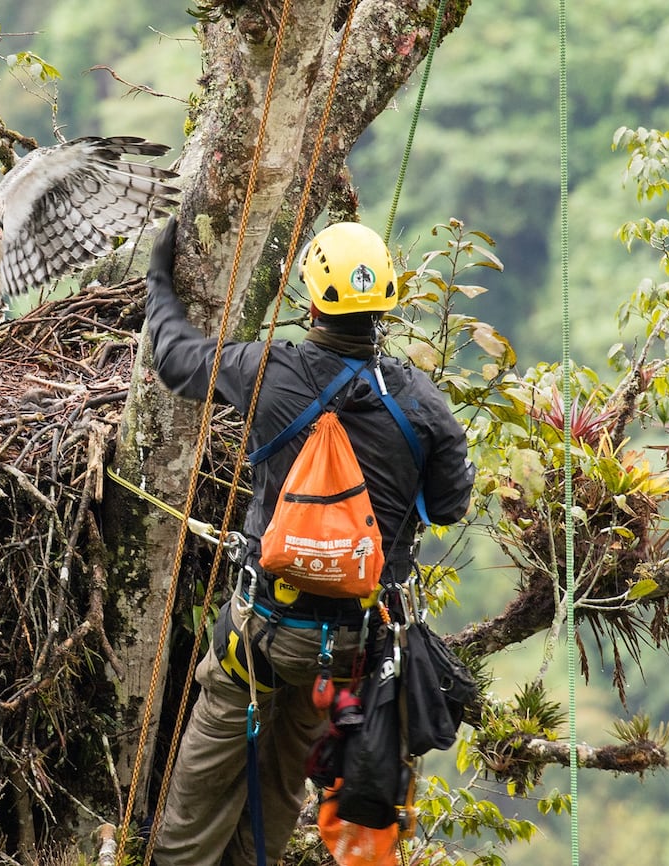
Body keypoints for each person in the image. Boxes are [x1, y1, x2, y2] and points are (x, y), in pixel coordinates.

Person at [144, 217, 475, 865]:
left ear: (314, 299)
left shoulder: (269, 372)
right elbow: (447, 505)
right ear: (387, 300)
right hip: (353, 646)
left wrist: (160, 277)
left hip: (264, 632)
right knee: (280, 781)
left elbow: (176, 358)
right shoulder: (421, 401)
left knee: (197, 800)